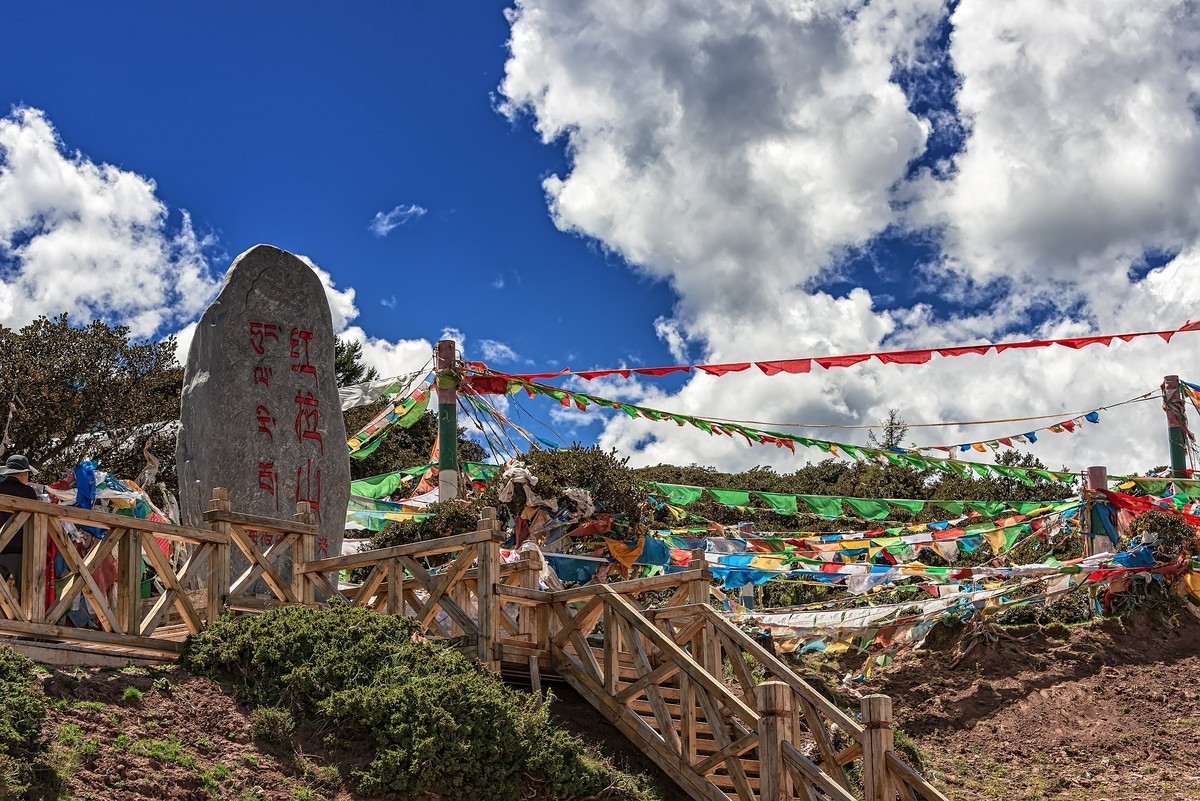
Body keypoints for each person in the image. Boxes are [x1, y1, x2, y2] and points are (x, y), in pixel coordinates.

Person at [0, 454, 39, 586]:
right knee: (25, 591)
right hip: (19, 549)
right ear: (23, 473)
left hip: (1, 547)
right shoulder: (28, 492)